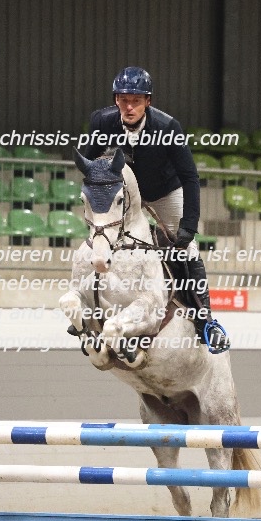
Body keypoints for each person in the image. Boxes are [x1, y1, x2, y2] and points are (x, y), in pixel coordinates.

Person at [81, 66, 230, 354]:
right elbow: (89, 167)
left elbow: (190, 176)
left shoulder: (167, 127)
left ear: (148, 101)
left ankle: (206, 322)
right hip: (125, 195)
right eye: (123, 99)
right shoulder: (101, 121)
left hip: (163, 192)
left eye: (136, 100)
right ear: (116, 100)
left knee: (186, 249)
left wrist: (189, 223)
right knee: (102, 237)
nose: (129, 106)